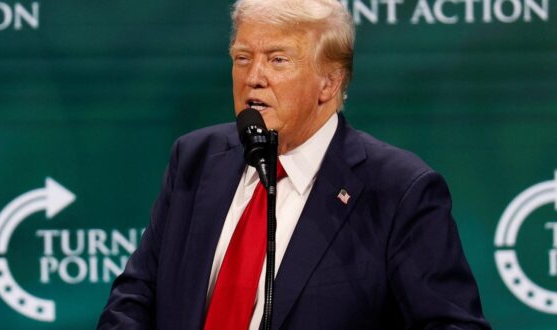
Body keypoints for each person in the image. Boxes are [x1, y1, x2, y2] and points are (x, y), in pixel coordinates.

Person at [98, 0, 491, 329]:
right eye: (242, 58)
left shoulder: (398, 190)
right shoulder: (195, 159)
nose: (253, 77)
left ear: (329, 82)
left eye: (278, 59)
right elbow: (134, 299)